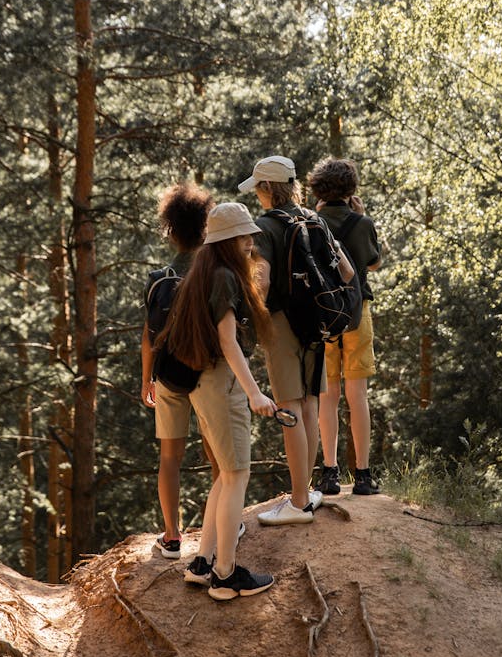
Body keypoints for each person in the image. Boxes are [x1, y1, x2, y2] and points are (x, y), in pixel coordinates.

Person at [156, 202, 277, 600]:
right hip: (220, 385)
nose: (249, 243)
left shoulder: (203, 272)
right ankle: (225, 576)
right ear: (229, 241)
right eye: (244, 237)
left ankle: (202, 561)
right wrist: (255, 392)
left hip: (203, 384)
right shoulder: (224, 277)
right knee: (237, 475)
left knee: (226, 474)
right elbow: (228, 342)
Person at [238, 155, 354, 526]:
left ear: (269, 188)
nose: (257, 195)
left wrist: (249, 318)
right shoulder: (314, 218)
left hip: (282, 324)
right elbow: (348, 271)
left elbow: (263, 280)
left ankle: (299, 501)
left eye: (258, 188)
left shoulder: (264, 227)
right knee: (309, 406)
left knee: (289, 408)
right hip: (317, 325)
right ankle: (306, 494)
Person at [141, 183, 214, 558]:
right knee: (217, 453)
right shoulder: (213, 271)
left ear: (171, 229)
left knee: (169, 458)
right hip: (207, 374)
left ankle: (172, 537)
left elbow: (148, 336)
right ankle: (223, 526)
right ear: (206, 224)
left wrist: (146, 380)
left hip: (167, 375)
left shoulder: (158, 278)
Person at [308, 157, 382, 496]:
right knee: (357, 395)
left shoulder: (310, 223)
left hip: (323, 317)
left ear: (318, 190)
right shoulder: (362, 223)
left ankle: (330, 473)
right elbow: (375, 262)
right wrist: (362, 213)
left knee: (328, 395)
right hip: (357, 312)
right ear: (351, 189)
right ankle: (363, 476)